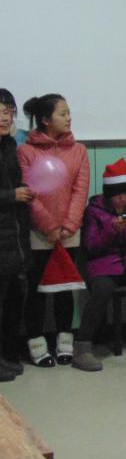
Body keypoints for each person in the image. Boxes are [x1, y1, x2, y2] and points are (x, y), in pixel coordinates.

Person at [17, 94, 90, 367]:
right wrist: (48, 227)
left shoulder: (79, 150)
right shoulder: (26, 151)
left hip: (69, 232)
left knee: (64, 288)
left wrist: (68, 225)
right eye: (62, 113)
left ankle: (64, 340)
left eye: (69, 112)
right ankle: (36, 342)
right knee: (36, 288)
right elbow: (29, 193)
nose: (69, 118)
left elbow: (80, 190)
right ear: (45, 119)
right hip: (39, 233)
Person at [74, 159, 126, 371]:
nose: (122, 198)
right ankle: (82, 347)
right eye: (116, 194)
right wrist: (113, 230)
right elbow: (91, 246)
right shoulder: (94, 209)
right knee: (102, 289)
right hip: (103, 263)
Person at [0, 90, 31, 380]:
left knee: (13, 301)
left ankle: (8, 354)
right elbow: (11, 192)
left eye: (8, 110)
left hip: (14, 236)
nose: (4, 117)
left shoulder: (11, 145)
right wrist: (12, 196)